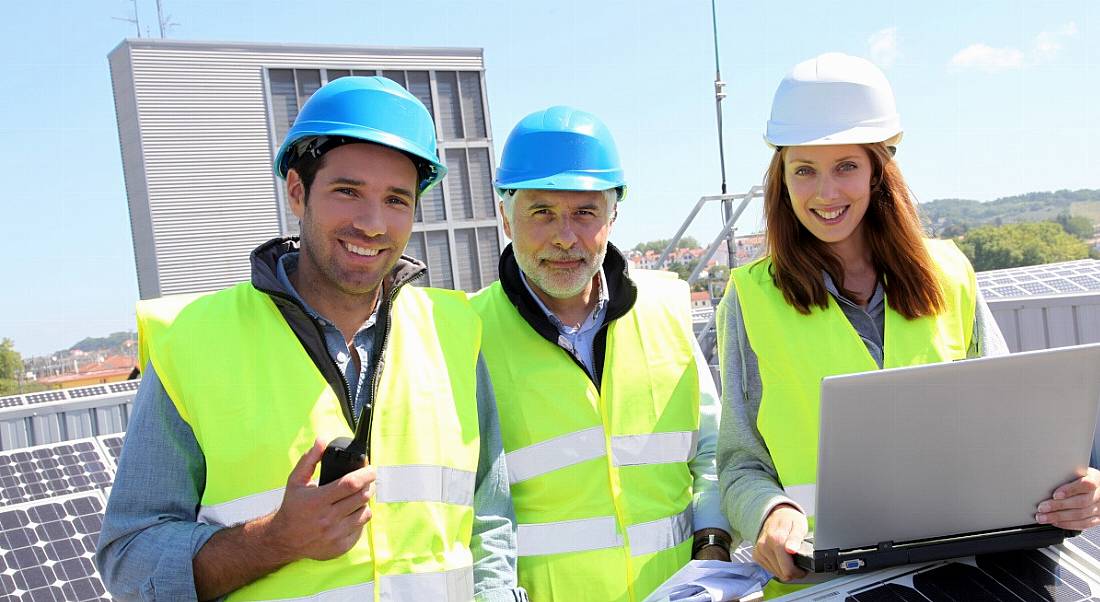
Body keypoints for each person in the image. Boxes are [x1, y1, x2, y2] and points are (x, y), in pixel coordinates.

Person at [96, 76, 527, 602]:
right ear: (297, 191)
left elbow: (488, 527)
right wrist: (273, 541)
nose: (372, 224)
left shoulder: (454, 332)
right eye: (348, 191)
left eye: (396, 199)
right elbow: (129, 560)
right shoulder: (191, 343)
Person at [716, 52, 1100, 598]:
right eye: (804, 170)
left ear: (878, 170)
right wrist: (769, 510)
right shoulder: (749, 298)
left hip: (969, 577)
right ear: (782, 178)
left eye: (846, 166)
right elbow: (737, 465)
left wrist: (1076, 489)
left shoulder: (950, 273)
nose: (825, 193)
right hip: (824, 588)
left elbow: (1012, 439)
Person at [470, 106, 734, 602]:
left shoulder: (666, 310)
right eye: (542, 212)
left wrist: (714, 548)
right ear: (506, 216)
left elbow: (714, 457)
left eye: (585, 212)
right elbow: (475, 513)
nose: (565, 237)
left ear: (614, 214)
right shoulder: (470, 334)